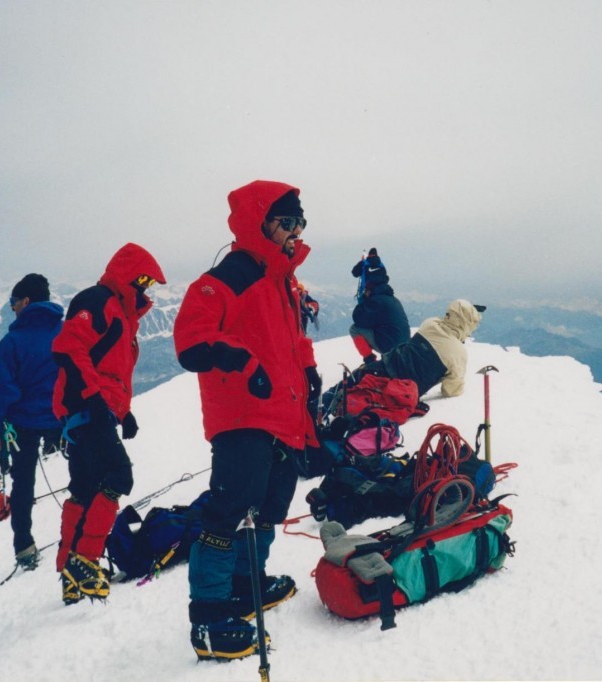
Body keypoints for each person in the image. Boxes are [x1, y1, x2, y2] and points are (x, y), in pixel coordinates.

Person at [174, 180, 320, 661]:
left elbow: (291, 337)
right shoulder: (234, 273)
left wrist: (310, 370)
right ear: (260, 223)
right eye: (285, 222)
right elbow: (192, 337)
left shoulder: (282, 278)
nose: (294, 231)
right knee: (230, 507)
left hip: (283, 411)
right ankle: (210, 619)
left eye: (299, 222)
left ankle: (245, 585)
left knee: (271, 501)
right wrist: (243, 363)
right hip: (241, 414)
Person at [51, 243, 165, 605]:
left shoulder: (122, 314)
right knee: (119, 476)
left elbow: (111, 371)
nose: (146, 288)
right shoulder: (98, 301)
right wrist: (94, 400)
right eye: (143, 280)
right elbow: (70, 347)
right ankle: (84, 561)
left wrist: (122, 411)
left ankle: (70, 573)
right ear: (127, 274)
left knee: (84, 489)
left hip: (94, 411)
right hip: (87, 410)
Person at [0, 274, 64, 571]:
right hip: (62, 418)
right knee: (84, 474)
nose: (11, 308)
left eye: (12, 303)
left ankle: (24, 546)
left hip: (23, 424)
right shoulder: (66, 332)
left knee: (23, 485)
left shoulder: (12, 343)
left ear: (26, 302)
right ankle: (80, 535)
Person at [344, 299, 484, 400]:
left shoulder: (430, 323)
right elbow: (451, 390)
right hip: (400, 392)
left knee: (342, 390)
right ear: (467, 324)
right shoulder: (458, 353)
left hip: (383, 366)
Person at [348, 266, 410, 363]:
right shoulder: (392, 299)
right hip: (404, 345)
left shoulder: (376, 301)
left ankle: (369, 359)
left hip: (390, 345)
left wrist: (364, 299)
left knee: (354, 329)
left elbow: (358, 318)